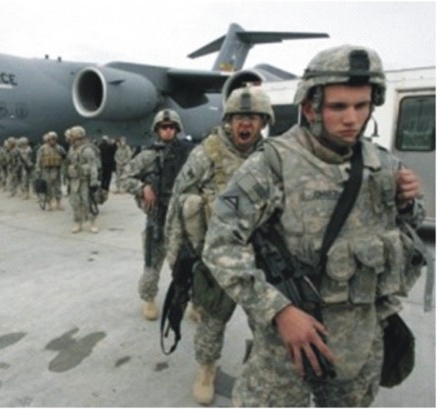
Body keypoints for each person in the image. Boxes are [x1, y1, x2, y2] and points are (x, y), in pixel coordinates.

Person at [201, 45, 425, 406]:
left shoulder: (382, 164)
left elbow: (407, 229)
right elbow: (220, 244)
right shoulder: (272, 165)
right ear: (310, 108)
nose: (352, 118)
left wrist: (407, 203)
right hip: (287, 343)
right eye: (338, 106)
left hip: (360, 338)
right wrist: (279, 311)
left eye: (361, 105)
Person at [164, 85, 274, 405]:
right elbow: (178, 202)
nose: (245, 123)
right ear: (229, 120)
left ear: (263, 122)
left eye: (253, 117)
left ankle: (259, 370)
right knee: (212, 321)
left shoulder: (272, 157)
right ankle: (206, 371)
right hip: (217, 256)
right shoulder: (207, 153)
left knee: (266, 322)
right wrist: (176, 256)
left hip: (260, 257)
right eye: (239, 117)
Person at [119, 109, 193, 320]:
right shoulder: (147, 156)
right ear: (157, 130)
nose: (168, 130)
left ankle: (192, 301)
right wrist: (142, 188)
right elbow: (124, 178)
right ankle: (149, 299)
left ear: (177, 129)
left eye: (171, 127)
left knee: (186, 263)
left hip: (181, 219)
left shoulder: (189, 154)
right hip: (157, 218)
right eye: (163, 127)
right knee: (152, 263)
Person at [65, 126, 101, 233]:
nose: (69, 138)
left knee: (87, 202)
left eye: (71, 136)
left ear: (77, 136)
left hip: (85, 181)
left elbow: (93, 166)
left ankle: (92, 223)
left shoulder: (87, 150)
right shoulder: (71, 149)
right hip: (74, 180)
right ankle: (78, 222)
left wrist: (94, 182)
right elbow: (69, 162)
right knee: (75, 202)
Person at [36, 131, 67, 210]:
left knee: (57, 186)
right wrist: (38, 169)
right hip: (46, 170)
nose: (52, 141)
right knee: (48, 187)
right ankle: (49, 203)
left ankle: (59, 202)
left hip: (56, 169)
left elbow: (64, 157)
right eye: (51, 139)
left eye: (54, 139)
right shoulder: (42, 148)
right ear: (48, 140)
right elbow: (39, 160)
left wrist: (63, 168)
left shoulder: (59, 148)